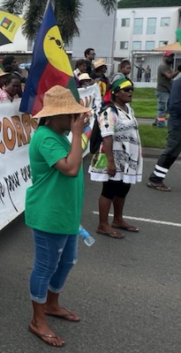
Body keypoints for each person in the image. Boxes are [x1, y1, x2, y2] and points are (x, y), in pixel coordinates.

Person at [25, 86, 89, 348]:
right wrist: (76, 132)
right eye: (70, 114)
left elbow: (76, 155)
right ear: (52, 117)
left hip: (65, 212)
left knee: (67, 261)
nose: (75, 119)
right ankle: (37, 320)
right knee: (45, 266)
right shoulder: (46, 137)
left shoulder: (60, 134)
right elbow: (71, 169)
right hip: (48, 214)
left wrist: (75, 133)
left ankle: (51, 305)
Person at [89, 78, 142, 239]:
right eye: (126, 90)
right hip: (111, 156)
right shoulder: (109, 111)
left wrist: (139, 150)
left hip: (128, 157)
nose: (130, 92)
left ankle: (118, 220)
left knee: (124, 187)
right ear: (116, 93)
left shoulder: (128, 109)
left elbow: (133, 131)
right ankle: (103, 224)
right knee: (110, 189)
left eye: (131, 89)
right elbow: (107, 137)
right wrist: (110, 161)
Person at [147, 77, 181, 191]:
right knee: (172, 151)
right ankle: (155, 179)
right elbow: (175, 106)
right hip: (178, 123)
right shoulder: (178, 83)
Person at [154, 51, 180, 128]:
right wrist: (178, 71)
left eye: (171, 57)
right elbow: (170, 76)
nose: (171, 58)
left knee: (162, 108)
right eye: (169, 57)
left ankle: (156, 122)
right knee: (162, 109)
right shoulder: (163, 66)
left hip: (166, 90)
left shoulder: (168, 66)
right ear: (164, 57)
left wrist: (176, 70)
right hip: (163, 90)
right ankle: (160, 125)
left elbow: (171, 76)